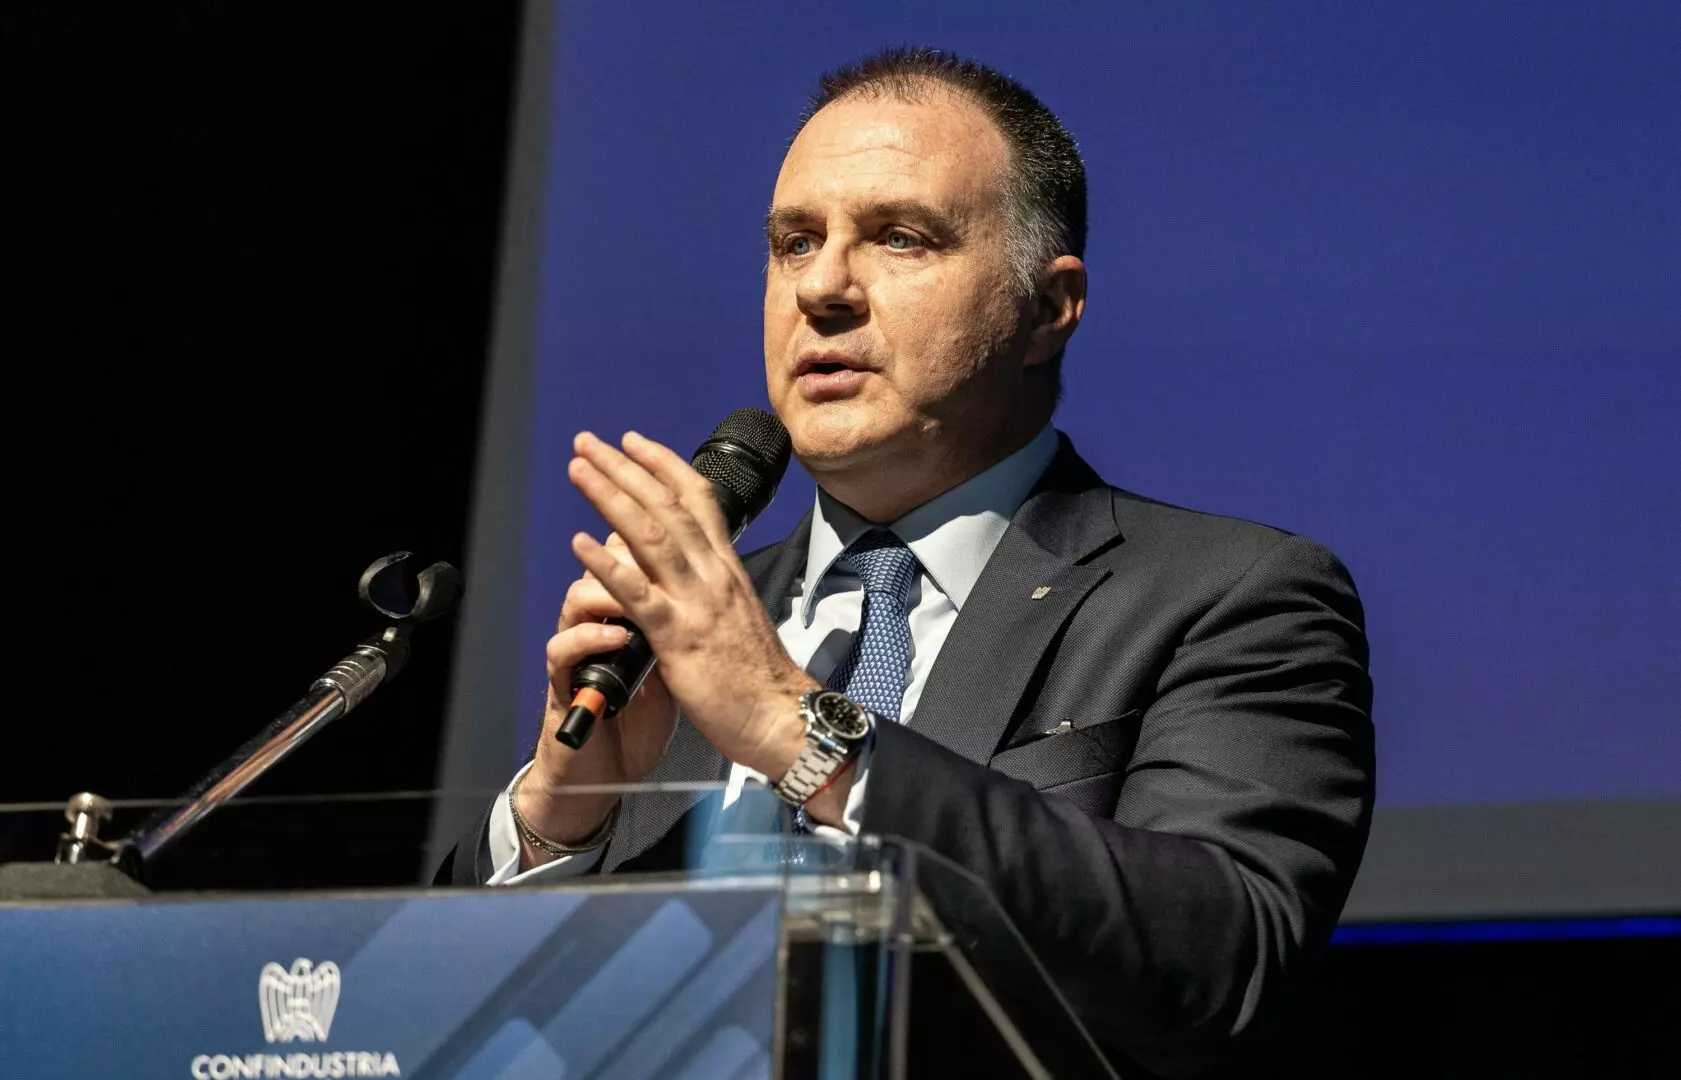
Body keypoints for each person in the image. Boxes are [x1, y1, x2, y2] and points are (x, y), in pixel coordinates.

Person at [440, 47, 1374, 1077]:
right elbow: (446, 1025)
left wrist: (801, 729)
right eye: (795, 243)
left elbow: (1220, 957)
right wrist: (558, 822)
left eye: (898, 237)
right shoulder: (679, 636)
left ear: (1048, 308)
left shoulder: (1230, 598)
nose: (821, 288)